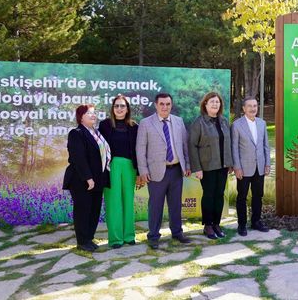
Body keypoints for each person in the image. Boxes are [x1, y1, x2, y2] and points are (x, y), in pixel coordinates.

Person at [136, 93, 191, 249]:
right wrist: (143, 170)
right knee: (155, 205)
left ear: (171, 105)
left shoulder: (178, 122)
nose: (165, 107)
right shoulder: (146, 123)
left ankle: (177, 232)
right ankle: (153, 236)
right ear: (156, 105)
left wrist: (187, 164)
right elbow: (140, 149)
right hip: (155, 172)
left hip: (176, 171)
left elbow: (185, 145)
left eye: (167, 104)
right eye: (162, 104)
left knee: (175, 204)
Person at [63, 104, 110, 252]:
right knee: (83, 210)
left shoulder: (96, 133)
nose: (93, 115)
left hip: (98, 179)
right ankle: (82, 241)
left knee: (94, 210)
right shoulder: (76, 133)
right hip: (82, 180)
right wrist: (88, 178)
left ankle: (89, 238)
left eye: (94, 113)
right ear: (81, 117)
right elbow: (79, 158)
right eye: (89, 113)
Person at [188, 92, 233, 240]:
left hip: (222, 166)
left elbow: (228, 143)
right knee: (209, 195)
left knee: (219, 195)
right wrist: (197, 168)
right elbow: (192, 145)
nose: (215, 104)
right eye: (212, 102)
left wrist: (230, 163)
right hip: (207, 167)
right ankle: (207, 225)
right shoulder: (199, 123)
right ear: (205, 104)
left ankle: (216, 224)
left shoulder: (224, 121)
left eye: (217, 102)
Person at [98, 94, 139, 249]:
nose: (120, 109)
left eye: (123, 106)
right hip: (111, 166)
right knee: (113, 202)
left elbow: (138, 151)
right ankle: (116, 239)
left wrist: (140, 172)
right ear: (112, 108)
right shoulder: (105, 125)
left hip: (130, 167)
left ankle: (129, 236)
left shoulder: (135, 126)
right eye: (117, 106)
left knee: (128, 201)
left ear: (127, 109)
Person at [231, 97, 271, 237]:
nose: (253, 108)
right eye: (250, 106)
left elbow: (266, 145)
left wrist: (267, 163)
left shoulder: (262, 123)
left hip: (259, 167)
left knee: (258, 196)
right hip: (244, 168)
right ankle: (242, 224)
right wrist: (237, 167)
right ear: (244, 108)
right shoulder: (237, 125)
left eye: (255, 106)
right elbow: (234, 148)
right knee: (242, 197)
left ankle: (256, 221)